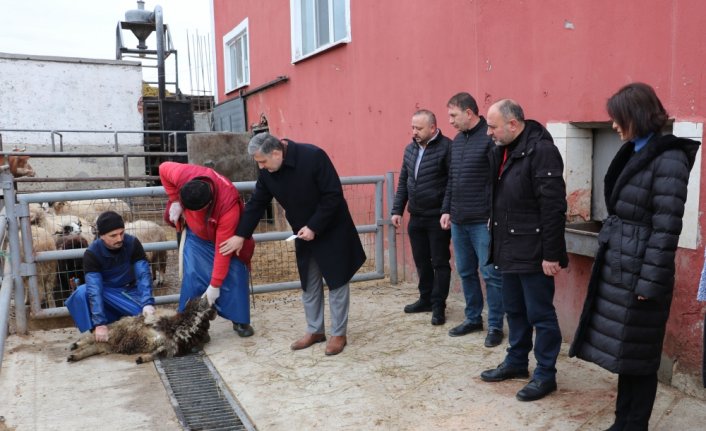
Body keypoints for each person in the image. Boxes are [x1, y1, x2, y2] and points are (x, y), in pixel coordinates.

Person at [570, 83, 700, 430]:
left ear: (638, 116)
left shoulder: (668, 158)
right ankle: (622, 421)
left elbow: (666, 227)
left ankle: (634, 424)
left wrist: (649, 282)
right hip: (621, 265)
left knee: (639, 359)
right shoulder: (635, 150)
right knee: (626, 354)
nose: (613, 125)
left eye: (618, 119)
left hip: (641, 272)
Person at [220, 132, 366, 356]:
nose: (261, 167)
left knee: (337, 281)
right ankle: (315, 330)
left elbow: (333, 195)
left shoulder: (314, 156)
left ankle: (338, 334)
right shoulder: (269, 171)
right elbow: (257, 203)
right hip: (303, 233)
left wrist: (314, 226)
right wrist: (241, 234)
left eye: (263, 161)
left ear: (276, 153)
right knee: (309, 282)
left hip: (331, 229)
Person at [479, 99, 567, 402]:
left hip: (534, 250)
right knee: (514, 309)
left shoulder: (541, 151)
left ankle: (545, 374)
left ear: (513, 124)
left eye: (492, 126)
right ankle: (516, 362)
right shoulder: (502, 149)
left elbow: (553, 207)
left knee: (540, 314)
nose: (488, 132)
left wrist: (552, 255)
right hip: (508, 246)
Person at [159, 161, 256, 338]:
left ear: (209, 202)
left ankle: (239, 319)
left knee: (234, 273)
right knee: (193, 275)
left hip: (224, 240)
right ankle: (193, 325)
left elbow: (223, 250)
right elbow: (163, 168)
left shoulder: (228, 206)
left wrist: (215, 286)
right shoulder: (183, 174)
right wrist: (175, 200)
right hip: (196, 235)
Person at [441, 92, 505, 347]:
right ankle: (473, 318)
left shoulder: (489, 139)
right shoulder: (456, 142)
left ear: (469, 113)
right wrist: (447, 209)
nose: (451, 121)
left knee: (490, 274)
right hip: (458, 220)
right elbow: (452, 180)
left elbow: (498, 181)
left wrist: (494, 214)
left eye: (453, 115)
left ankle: (496, 325)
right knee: (465, 271)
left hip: (483, 221)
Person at [391, 109, 452, 325]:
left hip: (437, 217)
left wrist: (446, 210)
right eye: (413, 127)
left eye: (419, 128)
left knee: (440, 262)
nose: (414, 132)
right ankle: (425, 298)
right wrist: (397, 210)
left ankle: (438, 306)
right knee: (421, 261)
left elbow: (451, 184)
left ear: (433, 128)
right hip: (416, 217)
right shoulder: (410, 149)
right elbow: (404, 181)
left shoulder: (447, 148)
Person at [65, 211, 155, 342]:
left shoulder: (133, 243)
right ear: (101, 236)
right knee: (81, 293)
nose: (119, 239)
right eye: (113, 235)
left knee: (143, 317)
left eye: (121, 233)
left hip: (128, 292)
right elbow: (94, 289)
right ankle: (97, 330)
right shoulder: (92, 253)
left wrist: (147, 303)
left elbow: (143, 275)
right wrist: (99, 323)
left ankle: (116, 327)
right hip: (107, 294)